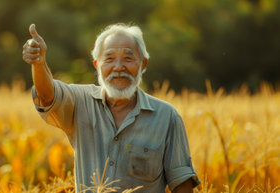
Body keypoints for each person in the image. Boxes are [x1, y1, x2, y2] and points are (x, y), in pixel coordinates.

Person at [22, 23, 200, 193]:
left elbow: (181, 184)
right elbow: (47, 96)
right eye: (109, 59)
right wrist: (39, 64)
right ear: (97, 65)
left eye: (128, 58)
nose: (118, 67)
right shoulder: (80, 102)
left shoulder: (167, 117)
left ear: (143, 64)